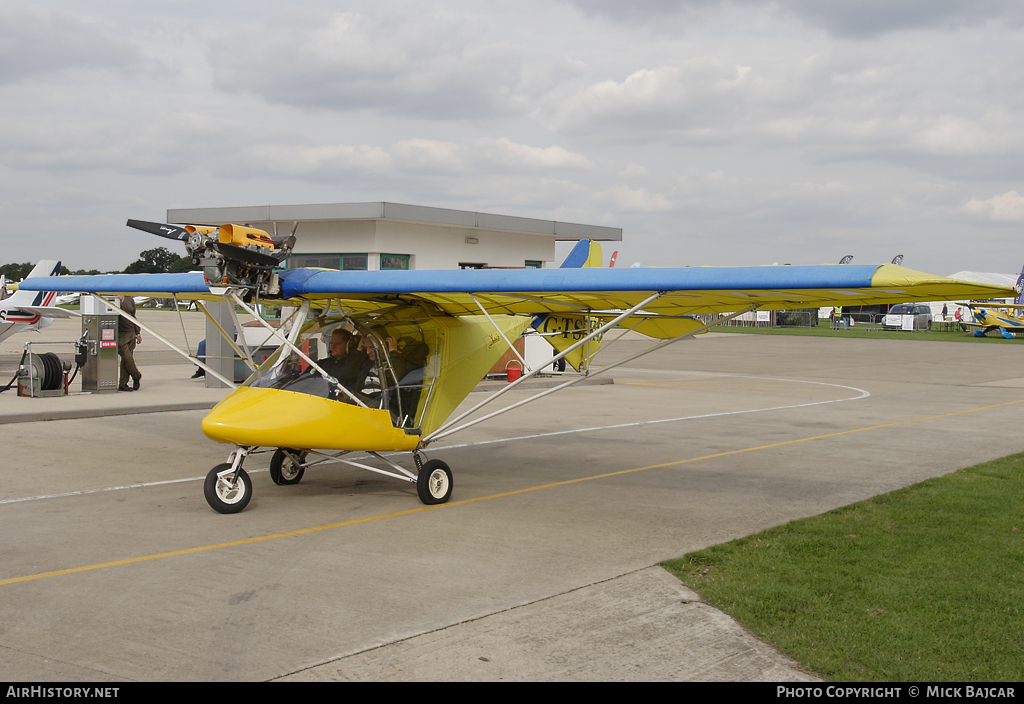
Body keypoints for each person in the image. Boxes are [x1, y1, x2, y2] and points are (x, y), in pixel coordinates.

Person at [117, 295, 142, 391]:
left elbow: (133, 316)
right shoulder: (112, 298)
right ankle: (136, 375)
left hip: (131, 332)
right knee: (127, 357)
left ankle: (123, 383)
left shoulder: (130, 299)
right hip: (120, 334)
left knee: (126, 360)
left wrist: (137, 332)